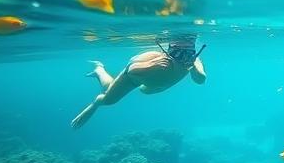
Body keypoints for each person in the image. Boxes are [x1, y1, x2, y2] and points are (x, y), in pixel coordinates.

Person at [70, 35, 207, 128]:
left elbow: (200, 80)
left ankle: (101, 73)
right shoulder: (161, 64)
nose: (185, 59)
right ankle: (99, 73)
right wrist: (154, 64)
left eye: (190, 54)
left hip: (153, 84)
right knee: (108, 99)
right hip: (136, 76)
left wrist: (195, 66)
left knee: (144, 90)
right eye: (180, 55)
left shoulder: (193, 61)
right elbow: (131, 71)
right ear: (171, 52)